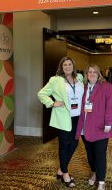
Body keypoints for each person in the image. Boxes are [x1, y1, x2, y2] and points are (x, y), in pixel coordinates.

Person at [37, 56, 84, 188]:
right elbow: (41, 94)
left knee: (74, 143)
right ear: (61, 67)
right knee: (64, 145)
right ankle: (65, 174)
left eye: (69, 64)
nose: (67, 67)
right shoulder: (55, 80)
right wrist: (52, 103)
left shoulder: (79, 78)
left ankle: (60, 170)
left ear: (73, 66)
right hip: (64, 117)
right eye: (65, 65)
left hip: (77, 117)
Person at [75, 64, 112, 190]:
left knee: (100, 154)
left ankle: (101, 181)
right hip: (85, 127)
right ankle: (94, 172)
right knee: (90, 153)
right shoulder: (83, 88)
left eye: (94, 72)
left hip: (100, 128)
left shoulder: (106, 87)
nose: (92, 74)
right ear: (86, 75)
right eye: (89, 72)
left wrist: (108, 123)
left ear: (99, 74)